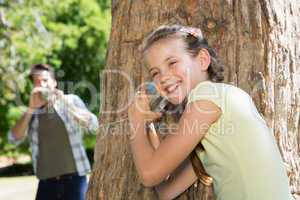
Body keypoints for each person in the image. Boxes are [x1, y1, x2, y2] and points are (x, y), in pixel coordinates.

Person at [128, 24, 293, 200]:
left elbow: (149, 174)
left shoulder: (206, 96)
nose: (164, 77)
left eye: (172, 63)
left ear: (202, 60)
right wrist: (148, 128)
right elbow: (166, 191)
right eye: (155, 73)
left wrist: (135, 122)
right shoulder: (216, 124)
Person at [8, 64, 98, 200]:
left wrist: (64, 101)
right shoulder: (31, 113)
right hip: (46, 185)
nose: (41, 85)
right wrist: (30, 109)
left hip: (74, 181)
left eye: (45, 80)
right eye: (36, 82)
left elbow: (93, 125)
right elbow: (13, 139)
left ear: (54, 82)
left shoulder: (71, 100)